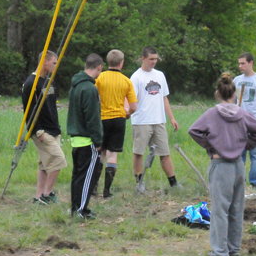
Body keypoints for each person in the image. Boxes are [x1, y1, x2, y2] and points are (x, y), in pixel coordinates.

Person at [189, 73, 256, 256]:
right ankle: (234, 248)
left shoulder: (212, 114)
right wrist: (245, 145)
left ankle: (220, 251)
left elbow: (194, 130)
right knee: (237, 208)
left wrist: (211, 146)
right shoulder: (242, 113)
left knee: (219, 209)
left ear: (218, 93)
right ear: (234, 94)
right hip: (238, 164)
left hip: (220, 163)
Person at [130, 46, 180, 193]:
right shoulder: (136, 77)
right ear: (143, 58)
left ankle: (174, 183)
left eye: (156, 59)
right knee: (139, 153)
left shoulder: (160, 75)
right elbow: (132, 100)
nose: (154, 62)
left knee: (164, 153)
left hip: (158, 120)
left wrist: (171, 118)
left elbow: (164, 98)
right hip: (141, 121)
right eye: (151, 59)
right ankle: (139, 183)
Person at [21, 50, 67, 205]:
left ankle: (38, 196)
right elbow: (28, 111)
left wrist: (57, 128)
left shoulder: (49, 81)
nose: (56, 66)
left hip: (53, 129)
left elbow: (51, 106)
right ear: (45, 62)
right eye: (54, 62)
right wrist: (38, 131)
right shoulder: (30, 83)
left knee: (44, 164)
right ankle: (47, 194)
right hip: (41, 131)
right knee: (58, 160)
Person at [95, 49, 138, 198]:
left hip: (102, 118)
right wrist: (127, 114)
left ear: (107, 62)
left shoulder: (100, 78)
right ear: (122, 63)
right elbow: (133, 107)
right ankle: (107, 191)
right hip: (118, 119)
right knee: (112, 154)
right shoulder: (126, 81)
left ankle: (93, 188)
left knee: (100, 153)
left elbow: (93, 97)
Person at [67, 53, 104, 219]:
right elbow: (92, 117)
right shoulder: (89, 88)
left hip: (76, 139)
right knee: (87, 178)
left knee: (78, 177)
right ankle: (80, 210)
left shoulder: (75, 86)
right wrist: (98, 140)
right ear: (99, 67)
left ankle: (75, 208)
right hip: (87, 140)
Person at [233, 52, 256, 189]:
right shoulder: (236, 80)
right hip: (239, 122)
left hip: (255, 122)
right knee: (239, 155)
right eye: (239, 63)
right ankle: (239, 183)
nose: (240, 66)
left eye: (243, 63)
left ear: (251, 63)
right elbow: (233, 100)